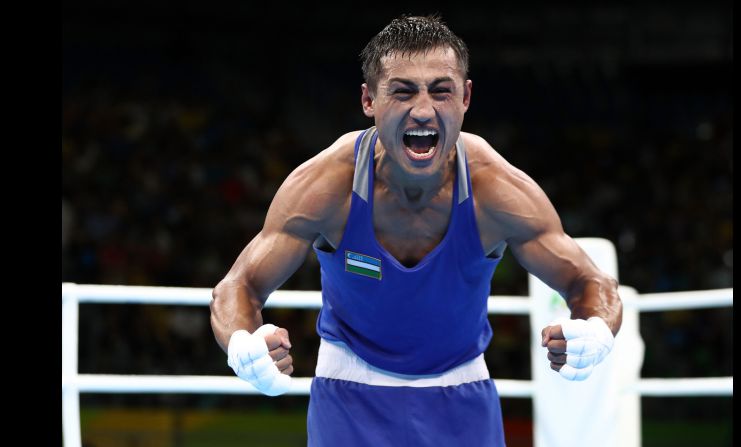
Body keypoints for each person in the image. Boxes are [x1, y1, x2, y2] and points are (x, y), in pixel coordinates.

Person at [209, 14, 623, 447]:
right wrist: (244, 346)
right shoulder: (328, 186)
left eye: (440, 91)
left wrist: (594, 332)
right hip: (347, 399)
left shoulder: (496, 191)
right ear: (369, 100)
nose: (423, 110)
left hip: (462, 399)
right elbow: (239, 286)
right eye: (403, 91)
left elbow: (590, 282)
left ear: (465, 97)